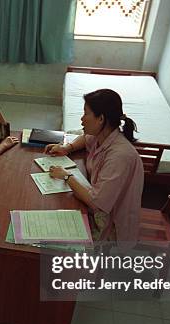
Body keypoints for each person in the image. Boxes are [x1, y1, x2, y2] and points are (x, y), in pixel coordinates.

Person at [45, 89, 144, 244]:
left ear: (101, 119)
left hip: (111, 227)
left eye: (86, 113)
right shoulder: (104, 135)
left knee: (52, 223)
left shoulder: (120, 156)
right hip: (101, 203)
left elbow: (96, 203)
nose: (82, 119)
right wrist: (67, 148)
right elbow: (86, 138)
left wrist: (66, 176)